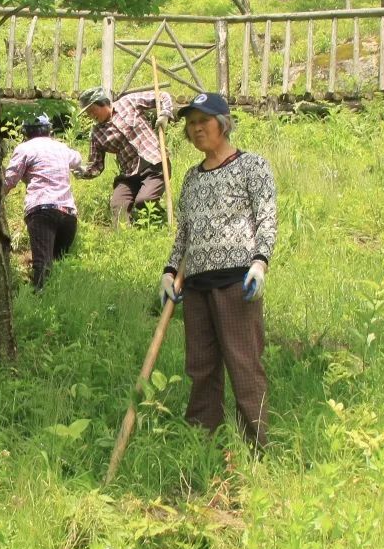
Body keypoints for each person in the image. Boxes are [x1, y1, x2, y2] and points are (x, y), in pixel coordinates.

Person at [159, 92, 277, 449]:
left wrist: (260, 262)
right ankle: (202, 445)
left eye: (203, 122)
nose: (196, 130)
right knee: (201, 369)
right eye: (190, 124)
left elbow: (267, 218)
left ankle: (257, 448)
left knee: (244, 367)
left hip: (236, 282)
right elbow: (184, 232)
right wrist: (168, 271)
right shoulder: (192, 179)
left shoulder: (251, 166)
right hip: (196, 286)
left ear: (222, 124)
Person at [74, 86, 174, 226]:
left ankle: (160, 225)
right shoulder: (96, 133)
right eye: (88, 114)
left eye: (92, 110)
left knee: (144, 201)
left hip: (155, 164)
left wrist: (165, 114)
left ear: (102, 102)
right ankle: (124, 238)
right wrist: (83, 172)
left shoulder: (128, 102)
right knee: (117, 205)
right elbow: (96, 166)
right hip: (129, 175)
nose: (91, 115)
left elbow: (162, 96)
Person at [3, 114, 83, 289]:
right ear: (49, 130)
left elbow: (9, 181)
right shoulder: (61, 147)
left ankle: (40, 302)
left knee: (43, 264)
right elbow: (77, 159)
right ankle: (61, 297)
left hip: (42, 211)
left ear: (25, 132)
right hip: (68, 213)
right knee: (60, 262)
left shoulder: (24, 149)